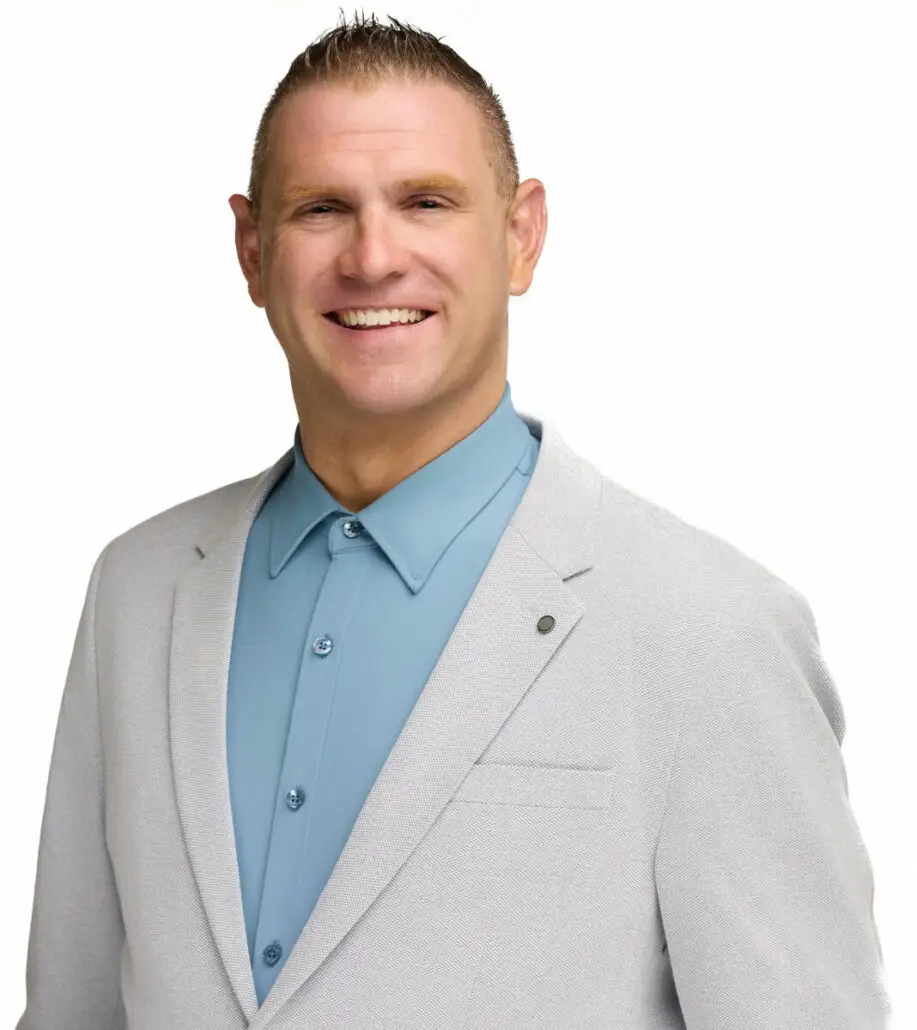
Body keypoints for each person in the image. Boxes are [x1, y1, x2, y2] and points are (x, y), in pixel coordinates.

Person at [15, 11, 892, 1030]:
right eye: (320, 209)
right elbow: (70, 1009)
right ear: (251, 251)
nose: (373, 257)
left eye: (425, 201)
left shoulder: (706, 627)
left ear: (519, 235)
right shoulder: (139, 587)